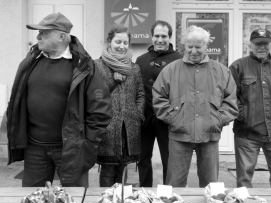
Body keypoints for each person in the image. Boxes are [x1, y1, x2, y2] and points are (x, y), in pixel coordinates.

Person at [6, 12, 112, 187]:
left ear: (62, 36)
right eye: (38, 32)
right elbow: (17, 97)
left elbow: (101, 109)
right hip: (35, 149)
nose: (38, 36)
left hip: (71, 150)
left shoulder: (84, 66)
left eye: (44, 33)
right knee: (34, 200)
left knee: (75, 201)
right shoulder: (30, 61)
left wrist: (88, 142)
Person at [152, 25, 238, 187]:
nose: (193, 51)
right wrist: (174, 118)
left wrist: (217, 120)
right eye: (189, 46)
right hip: (179, 133)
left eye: (198, 47)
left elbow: (231, 100)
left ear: (206, 46)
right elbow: (158, 97)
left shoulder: (221, 71)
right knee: (175, 183)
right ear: (184, 45)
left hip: (209, 134)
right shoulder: (170, 70)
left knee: (211, 183)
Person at [229, 29, 271, 188]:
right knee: (244, 180)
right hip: (247, 133)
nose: (262, 47)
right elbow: (229, 95)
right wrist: (242, 114)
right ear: (250, 45)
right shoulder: (238, 66)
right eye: (258, 44)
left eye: (265, 44)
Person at [95, 25, 145, 187]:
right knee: (108, 169)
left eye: (125, 42)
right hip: (107, 125)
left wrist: (138, 114)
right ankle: (105, 201)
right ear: (109, 41)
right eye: (118, 42)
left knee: (123, 168)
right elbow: (95, 96)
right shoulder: (97, 66)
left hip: (128, 126)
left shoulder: (134, 67)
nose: (122, 46)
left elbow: (140, 94)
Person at [135, 20, 182, 187]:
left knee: (169, 160)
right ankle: (144, 191)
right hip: (145, 119)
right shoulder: (141, 60)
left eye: (164, 36)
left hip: (168, 119)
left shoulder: (179, 60)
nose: (160, 40)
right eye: (156, 36)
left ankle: (166, 194)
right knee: (143, 159)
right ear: (151, 37)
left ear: (169, 37)